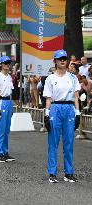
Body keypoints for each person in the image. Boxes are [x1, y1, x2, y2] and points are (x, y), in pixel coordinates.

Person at [43, 50, 81, 183]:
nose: (63, 61)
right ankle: (52, 173)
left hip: (69, 109)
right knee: (53, 142)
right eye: (60, 59)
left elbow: (76, 97)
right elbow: (48, 98)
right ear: (55, 61)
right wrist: (46, 115)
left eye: (64, 58)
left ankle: (68, 173)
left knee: (69, 142)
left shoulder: (72, 77)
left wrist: (78, 114)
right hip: (55, 108)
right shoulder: (50, 78)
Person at [0, 56, 15, 162]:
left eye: (9, 62)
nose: (7, 64)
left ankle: (5, 152)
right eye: (5, 63)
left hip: (9, 102)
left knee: (6, 129)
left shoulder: (9, 76)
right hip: (1, 102)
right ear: (1, 64)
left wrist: (12, 106)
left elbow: (10, 91)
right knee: (0, 129)